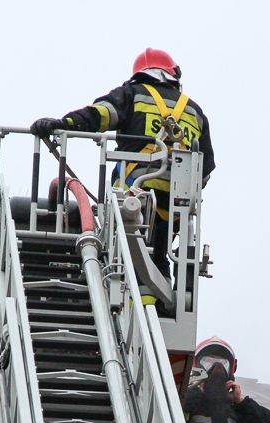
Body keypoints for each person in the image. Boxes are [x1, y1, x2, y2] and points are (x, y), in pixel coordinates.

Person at [30, 48, 215, 273]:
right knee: (158, 255)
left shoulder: (132, 94)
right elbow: (205, 170)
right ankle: (160, 303)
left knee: (131, 260)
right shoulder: (194, 111)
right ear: (172, 75)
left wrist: (63, 123)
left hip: (137, 193)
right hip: (179, 203)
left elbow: (100, 115)